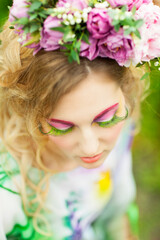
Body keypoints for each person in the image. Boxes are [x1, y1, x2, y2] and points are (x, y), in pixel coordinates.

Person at [0, 0, 160, 239]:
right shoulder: (9, 190)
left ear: (126, 92)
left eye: (105, 120)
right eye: (62, 128)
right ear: (31, 113)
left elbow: (117, 216)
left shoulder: (123, 123)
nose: (91, 147)